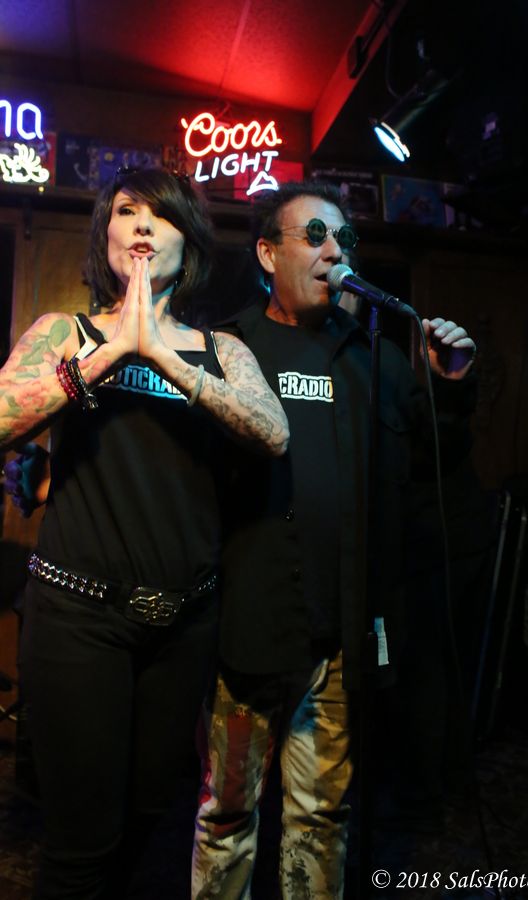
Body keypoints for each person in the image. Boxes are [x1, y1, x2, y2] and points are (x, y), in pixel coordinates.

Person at [0, 167, 289, 900]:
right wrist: (110, 353)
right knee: (79, 844)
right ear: (105, 234)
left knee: (147, 819)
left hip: (182, 627)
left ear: (188, 244)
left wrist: (160, 352)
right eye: (126, 211)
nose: (140, 225)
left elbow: (274, 432)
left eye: (160, 215)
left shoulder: (223, 350)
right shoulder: (64, 332)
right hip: (77, 621)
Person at [190, 180, 477, 899]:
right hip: (246, 636)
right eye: (313, 235)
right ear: (267, 254)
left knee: (321, 817)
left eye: (344, 238)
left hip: (340, 640)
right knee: (227, 814)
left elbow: (428, 465)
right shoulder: (228, 346)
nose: (333, 250)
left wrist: (448, 387)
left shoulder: (375, 359)